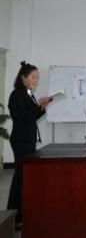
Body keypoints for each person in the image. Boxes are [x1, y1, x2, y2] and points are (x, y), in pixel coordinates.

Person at [7, 62, 52, 226]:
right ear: (23, 78)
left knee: (25, 177)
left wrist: (41, 107)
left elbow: (32, 117)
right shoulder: (17, 95)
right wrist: (37, 105)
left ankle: (22, 214)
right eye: (33, 77)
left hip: (28, 139)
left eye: (37, 77)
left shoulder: (28, 93)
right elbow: (22, 118)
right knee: (20, 178)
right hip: (21, 141)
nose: (36, 80)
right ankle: (14, 217)